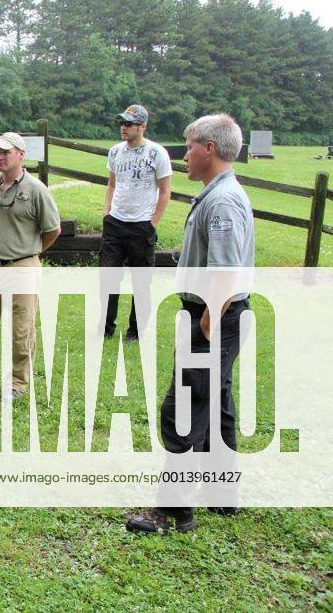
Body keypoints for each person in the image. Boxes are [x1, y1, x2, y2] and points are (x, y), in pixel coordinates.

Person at [127, 114, 254, 535]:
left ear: (209, 149)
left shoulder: (221, 202)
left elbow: (226, 271)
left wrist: (205, 322)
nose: (184, 156)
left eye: (189, 147)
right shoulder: (218, 194)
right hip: (221, 315)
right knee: (216, 404)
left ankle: (173, 512)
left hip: (214, 316)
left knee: (185, 406)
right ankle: (222, 493)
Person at [0, 132, 61, 396]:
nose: (0, 157)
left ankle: (18, 383)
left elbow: (53, 230)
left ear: (21, 155)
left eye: (6, 152)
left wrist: (30, 254)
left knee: (21, 328)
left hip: (22, 266)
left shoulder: (36, 190)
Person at [100, 104, 172, 339]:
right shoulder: (115, 152)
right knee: (108, 277)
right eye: (122, 123)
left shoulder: (157, 153)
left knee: (140, 283)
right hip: (115, 223)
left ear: (142, 127)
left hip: (142, 225)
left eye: (129, 124)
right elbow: (112, 183)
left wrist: (153, 222)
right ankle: (106, 327)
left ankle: (135, 330)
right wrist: (107, 212)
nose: (124, 127)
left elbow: (165, 191)